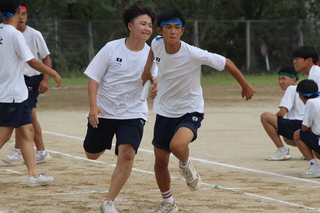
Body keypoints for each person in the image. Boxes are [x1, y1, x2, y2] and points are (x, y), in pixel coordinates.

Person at [141, 8, 255, 213]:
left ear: (183, 31)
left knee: (177, 146)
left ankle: (185, 165)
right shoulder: (157, 43)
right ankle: (168, 203)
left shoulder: (193, 53)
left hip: (190, 109)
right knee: (160, 161)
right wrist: (147, 71)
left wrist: (245, 85)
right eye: (168, 28)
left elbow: (226, 62)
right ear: (161, 30)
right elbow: (152, 51)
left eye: (177, 28)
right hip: (165, 110)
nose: (173, 32)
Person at [82, 1, 156, 212]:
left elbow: (154, 79)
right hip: (104, 111)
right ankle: (97, 140)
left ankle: (108, 201)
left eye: (150, 25)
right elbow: (94, 78)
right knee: (91, 154)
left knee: (127, 152)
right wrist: (93, 106)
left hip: (133, 112)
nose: (147, 28)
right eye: (143, 23)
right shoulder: (111, 48)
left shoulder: (152, 55)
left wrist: (155, 87)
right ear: (130, 26)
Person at [0, 0, 61, 186]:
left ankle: (33, 175)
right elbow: (32, 61)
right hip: (11, 94)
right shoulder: (14, 34)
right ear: (18, 12)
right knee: (4, 135)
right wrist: (52, 72)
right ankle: (33, 174)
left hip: (15, 93)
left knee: (27, 131)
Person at [261, 66, 304, 160]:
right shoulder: (303, 89)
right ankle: (308, 151)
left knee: (265, 117)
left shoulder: (291, 89)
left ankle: (282, 151)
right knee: (287, 139)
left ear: (293, 80)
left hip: (297, 124)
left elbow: (282, 113)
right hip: (307, 126)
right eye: (279, 79)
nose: (280, 82)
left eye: (283, 78)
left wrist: (273, 122)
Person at [294, 79, 320, 178]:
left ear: (301, 95)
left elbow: (304, 128)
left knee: (297, 134)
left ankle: (314, 168)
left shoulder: (310, 103)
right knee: (317, 153)